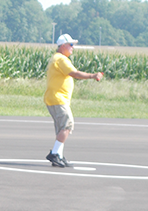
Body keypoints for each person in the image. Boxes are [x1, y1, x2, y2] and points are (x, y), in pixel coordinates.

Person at [44, 34, 103, 167]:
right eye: (71, 45)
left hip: (56, 98)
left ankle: (58, 155)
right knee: (67, 125)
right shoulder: (61, 59)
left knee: (61, 128)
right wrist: (93, 75)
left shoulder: (57, 58)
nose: (73, 48)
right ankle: (54, 154)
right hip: (58, 98)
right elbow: (75, 73)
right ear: (63, 46)